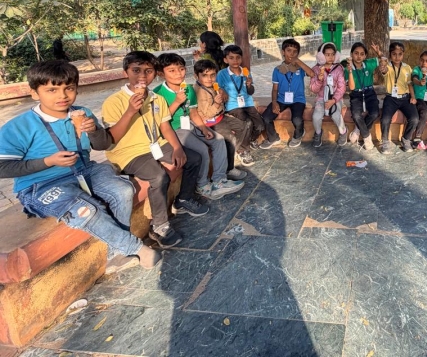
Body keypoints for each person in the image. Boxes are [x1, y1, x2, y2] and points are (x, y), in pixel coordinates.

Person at [0, 61, 161, 273]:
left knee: (123, 190)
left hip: (85, 172)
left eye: (69, 88)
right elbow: (3, 167)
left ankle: (115, 255)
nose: (62, 96)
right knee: (85, 210)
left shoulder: (82, 112)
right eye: (52, 90)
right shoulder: (20, 126)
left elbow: (103, 144)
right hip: (41, 185)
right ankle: (135, 248)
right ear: (34, 93)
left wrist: (94, 131)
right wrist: (48, 162)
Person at [102, 51, 207, 249]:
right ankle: (159, 226)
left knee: (193, 158)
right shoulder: (114, 102)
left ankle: (183, 198)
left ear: (154, 73)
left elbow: (165, 126)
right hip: (128, 152)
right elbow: (111, 138)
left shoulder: (156, 99)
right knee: (159, 176)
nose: (142, 76)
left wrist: (177, 147)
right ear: (125, 73)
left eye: (148, 71)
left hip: (155, 144)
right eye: (136, 70)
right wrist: (130, 111)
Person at [153, 53, 246, 201]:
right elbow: (160, 121)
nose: (178, 74)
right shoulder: (158, 93)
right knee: (201, 149)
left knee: (218, 140)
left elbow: (193, 112)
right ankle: (202, 185)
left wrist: (203, 128)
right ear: (161, 73)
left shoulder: (188, 89)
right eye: (172, 70)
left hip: (190, 124)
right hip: (174, 129)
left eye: (181, 69)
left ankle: (219, 180)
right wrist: (176, 102)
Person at [260, 39, 314, 149]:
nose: (292, 54)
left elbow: (312, 74)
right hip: (281, 99)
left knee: (297, 120)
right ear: (283, 52)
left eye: (295, 51)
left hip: (298, 99)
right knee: (266, 117)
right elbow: (275, 89)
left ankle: (298, 134)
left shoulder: (300, 68)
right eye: (289, 50)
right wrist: (274, 102)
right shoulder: (277, 70)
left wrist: (298, 62)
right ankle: (273, 137)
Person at [218, 45, 265, 153]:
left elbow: (251, 92)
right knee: (247, 123)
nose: (235, 60)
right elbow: (217, 87)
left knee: (260, 125)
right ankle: (243, 150)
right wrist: (221, 90)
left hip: (247, 103)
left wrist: (249, 85)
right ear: (225, 60)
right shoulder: (222, 74)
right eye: (231, 58)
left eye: (238, 57)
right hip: (233, 105)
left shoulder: (245, 71)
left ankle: (251, 140)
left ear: (241, 58)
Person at [378, 42, 418, 154]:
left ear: (403, 54)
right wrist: (380, 57)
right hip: (391, 98)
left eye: (400, 54)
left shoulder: (407, 67)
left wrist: (413, 97)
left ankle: (406, 139)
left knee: (414, 118)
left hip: (405, 98)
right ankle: (385, 141)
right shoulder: (388, 66)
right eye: (394, 54)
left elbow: (410, 84)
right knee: (385, 119)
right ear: (390, 55)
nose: (397, 57)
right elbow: (383, 69)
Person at [309, 42, 349, 147]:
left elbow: (342, 88)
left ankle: (343, 131)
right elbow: (313, 89)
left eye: (333, 54)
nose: (331, 57)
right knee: (316, 117)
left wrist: (334, 100)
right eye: (327, 54)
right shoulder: (316, 69)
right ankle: (318, 133)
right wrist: (319, 79)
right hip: (321, 98)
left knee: (336, 115)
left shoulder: (339, 68)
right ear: (321, 56)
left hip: (335, 99)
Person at [344, 42, 381, 151]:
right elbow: (351, 87)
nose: (359, 56)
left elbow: (383, 60)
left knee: (375, 113)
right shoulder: (347, 69)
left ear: (365, 56)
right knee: (356, 116)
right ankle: (367, 137)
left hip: (369, 93)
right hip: (356, 94)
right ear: (351, 54)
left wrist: (378, 52)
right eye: (356, 53)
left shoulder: (368, 64)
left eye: (362, 54)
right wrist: (350, 71)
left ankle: (358, 129)